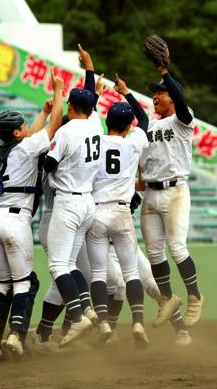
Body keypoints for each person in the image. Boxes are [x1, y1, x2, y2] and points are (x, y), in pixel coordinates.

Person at [0, 70, 64, 359]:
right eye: (23, 126)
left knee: (3, 283)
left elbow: (28, 137)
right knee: (24, 282)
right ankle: (16, 336)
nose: (28, 128)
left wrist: (41, 111)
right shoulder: (26, 149)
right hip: (16, 221)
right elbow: (52, 126)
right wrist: (58, 91)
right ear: (16, 133)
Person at [137, 41, 204, 329]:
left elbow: (178, 94)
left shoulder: (182, 120)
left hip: (175, 191)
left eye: (161, 93)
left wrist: (164, 70)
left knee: (177, 248)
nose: (156, 97)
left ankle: (195, 296)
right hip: (150, 194)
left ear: (172, 98)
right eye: (154, 94)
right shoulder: (149, 126)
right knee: (154, 253)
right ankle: (167, 299)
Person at [86, 72, 151, 348]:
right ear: (126, 127)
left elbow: (87, 117)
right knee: (131, 274)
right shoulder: (133, 141)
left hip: (97, 212)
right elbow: (145, 120)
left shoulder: (95, 141)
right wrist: (125, 92)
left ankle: (102, 322)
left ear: (108, 122)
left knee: (100, 274)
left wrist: (98, 94)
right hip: (123, 213)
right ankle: (137, 322)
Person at [42, 57, 104, 347]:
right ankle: (86, 311)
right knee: (68, 263)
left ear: (70, 107)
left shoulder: (66, 131)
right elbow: (90, 103)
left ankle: (78, 316)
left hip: (67, 202)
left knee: (57, 266)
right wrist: (89, 70)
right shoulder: (96, 126)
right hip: (87, 202)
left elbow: (49, 163)